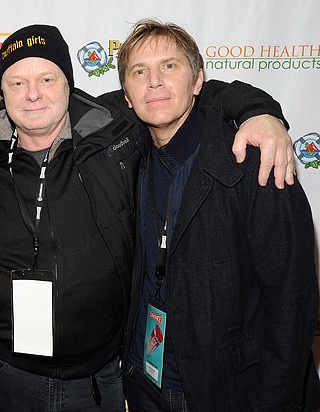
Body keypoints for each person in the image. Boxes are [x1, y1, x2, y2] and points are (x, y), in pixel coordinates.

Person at [0, 24, 296, 411]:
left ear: (69, 85)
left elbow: (290, 298)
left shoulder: (115, 139)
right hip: (19, 378)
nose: (32, 93)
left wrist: (259, 112)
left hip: (115, 382)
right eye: (16, 83)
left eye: (47, 78)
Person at [116, 19, 320, 411]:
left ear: (198, 82)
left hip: (228, 392)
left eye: (169, 66)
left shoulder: (256, 162)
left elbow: (291, 306)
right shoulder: (129, 156)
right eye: (139, 72)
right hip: (145, 384)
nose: (154, 82)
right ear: (126, 94)